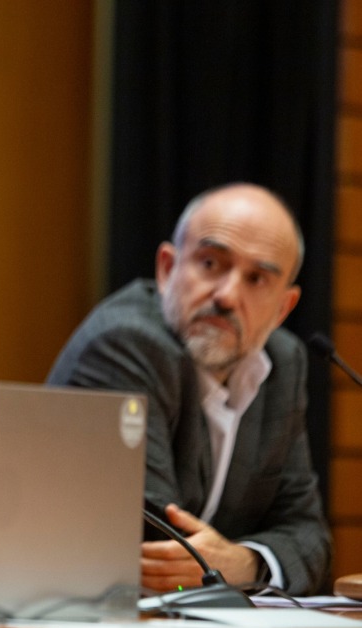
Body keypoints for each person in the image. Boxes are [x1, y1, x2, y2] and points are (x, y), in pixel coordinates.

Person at [47, 183, 332, 596]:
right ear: (167, 269)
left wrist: (245, 562)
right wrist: (222, 566)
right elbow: (157, 544)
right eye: (211, 263)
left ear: (282, 308)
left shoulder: (282, 363)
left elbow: (310, 536)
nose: (227, 296)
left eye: (256, 279)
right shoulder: (125, 344)